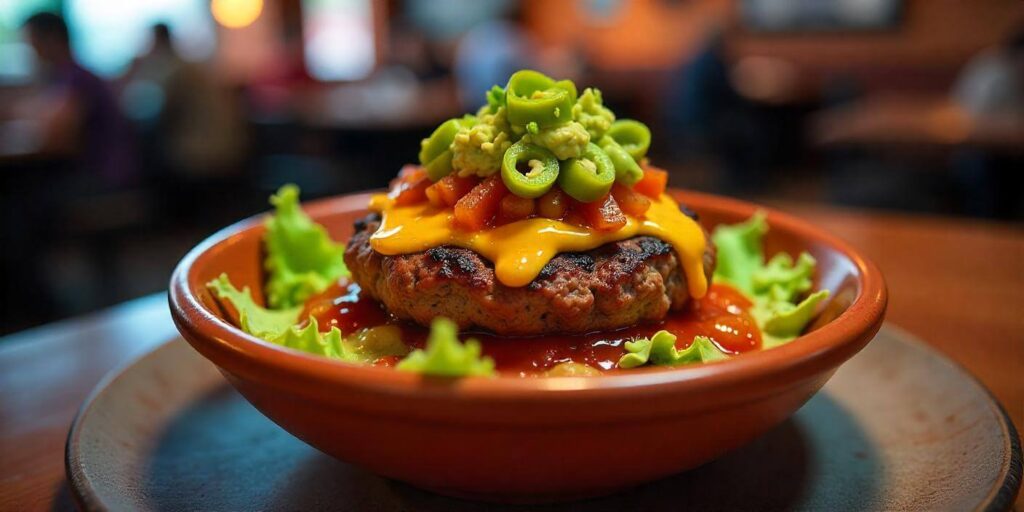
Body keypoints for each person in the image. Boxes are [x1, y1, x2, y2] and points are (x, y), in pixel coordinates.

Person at [20, 12, 136, 185]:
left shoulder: (77, 77)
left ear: (51, 39)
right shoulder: (65, 75)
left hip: (103, 175)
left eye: (33, 44)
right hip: (92, 169)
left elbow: (56, 131)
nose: (32, 53)